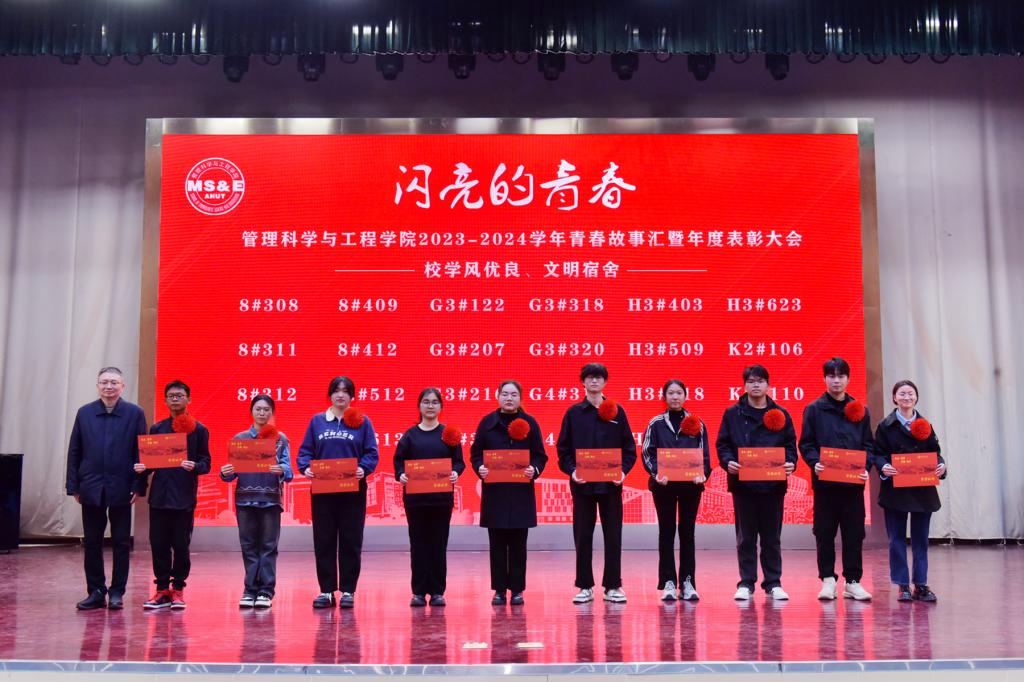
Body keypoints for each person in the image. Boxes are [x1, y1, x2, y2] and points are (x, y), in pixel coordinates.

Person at [65, 366, 148, 610]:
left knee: (121, 542)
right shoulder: (85, 413)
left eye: (114, 382)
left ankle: (117, 592)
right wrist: (73, 485)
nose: (109, 386)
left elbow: (141, 452)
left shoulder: (134, 413)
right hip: (91, 487)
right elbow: (75, 451)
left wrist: (139, 485)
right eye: (104, 382)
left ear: (122, 386)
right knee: (92, 542)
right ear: (98, 386)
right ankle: (96, 591)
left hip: (122, 486)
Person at [716, 364, 798, 601]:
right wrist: (728, 462)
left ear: (768, 385)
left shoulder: (781, 414)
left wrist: (790, 462)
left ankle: (773, 582)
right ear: (744, 385)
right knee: (746, 537)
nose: (755, 385)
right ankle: (746, 582)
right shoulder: (733, 413)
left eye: (760, 381)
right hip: (743, 485)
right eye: (751, 381)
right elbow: (723, 444)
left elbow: (790, 445)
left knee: (772, 538)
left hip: (773, 486)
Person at [556, 363, 637, 604]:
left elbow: (629, 449)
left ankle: (613, 586)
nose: (594, 381)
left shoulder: (616, 412)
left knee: (613, 535)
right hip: (582, 485)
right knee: (583, 535)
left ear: (605, 382)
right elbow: (563, 450)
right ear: (582, 382)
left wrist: (622, 472)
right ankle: (584, 586)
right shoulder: (573, 413)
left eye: (598, 377)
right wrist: (572, 471)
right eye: (589, 377)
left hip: (611, 486)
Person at [297, 376, 379, 609]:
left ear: (352, 396)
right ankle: (326, 591)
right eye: (336, 390)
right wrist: (306, 467)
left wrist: (364, 468)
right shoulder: (317, 421)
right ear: (330, 395)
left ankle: (348, 591)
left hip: (353, 490)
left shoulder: (362, 421)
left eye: (345, 391)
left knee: (351, 540)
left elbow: (371, 452)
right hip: (323, 492)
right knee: (324, 539)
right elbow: (305, 452)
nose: (340, 395)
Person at [798, 357, 874, 602]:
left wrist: (866, 466)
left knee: (854, 533)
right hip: (825, 485)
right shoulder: (814, 409)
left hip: (852, 486)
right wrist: (814, 462)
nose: (836, 380)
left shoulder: (860, 410)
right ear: (824, 379)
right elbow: (806, 443)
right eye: (831, 376)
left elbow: (869, 445)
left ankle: (852, 582)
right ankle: (827, 580)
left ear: (848, 379)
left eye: (841, 376)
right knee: (824, 533)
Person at [470, 380, 549, 606]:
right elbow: (476, 454)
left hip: (520, 493)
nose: (509, 398)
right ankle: (498, 590)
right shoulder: (487, 423)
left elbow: (540, 455)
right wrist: (480, 468)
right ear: (498, 396)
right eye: (505, 394)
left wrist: (534, 469)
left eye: (514, 394)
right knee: (496, 544)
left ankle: (517, 590)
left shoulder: (530, 423)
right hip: (495, 494)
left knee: (518, 545)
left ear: (520, 398)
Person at [135, 380, 211, 610]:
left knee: (180, 546)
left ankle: (178, 589)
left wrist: (194, 466)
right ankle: (161, 590)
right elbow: (151, 463)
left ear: (189, 399)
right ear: (165, 400)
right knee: (158, 544)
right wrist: (143, 468)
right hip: (159, 497)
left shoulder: (199, 430)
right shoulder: (157, 429)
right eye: (171, 396)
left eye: (179, 395)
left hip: (184, 497)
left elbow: (206, 463)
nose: (175, 399)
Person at [872, 379, 947, 603]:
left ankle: (921, 584)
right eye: (902, 394)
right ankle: (903, 585)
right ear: (894, 398)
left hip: (922, 491)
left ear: (916, 397)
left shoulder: (925, 424)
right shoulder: (885, 426)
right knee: (896, 540)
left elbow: (935, 452)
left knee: (920, 540)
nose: (907, 397)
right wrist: (883, 466)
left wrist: (941, 466)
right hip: (895, 491)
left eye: (910, 393)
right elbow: (878, 453)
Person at [641, 379, 712, 602]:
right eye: (670, 393)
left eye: (679, 393)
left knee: (687, 533)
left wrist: (703, 474)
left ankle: (688, 582)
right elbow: (647, 452)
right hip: (663, 486)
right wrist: (656, 473)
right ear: (664, 397)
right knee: (666, 532)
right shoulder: (656, 423)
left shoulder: (697, 423)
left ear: (685, 395)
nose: (675, 397)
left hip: (691, 486)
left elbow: (704, 455)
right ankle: (669, 582)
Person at [394, 388, 465, 607]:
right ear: (419, 406)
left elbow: (459, 461)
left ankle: (437, 592)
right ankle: (418, 592)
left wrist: (455, 472)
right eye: (426, 402)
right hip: (415, 501)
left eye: (435, 402)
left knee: (438, 545)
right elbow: (399, 461)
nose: (430, 406)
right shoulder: (410, 435)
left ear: (441, 407)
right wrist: (401, 474)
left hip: (441, 500)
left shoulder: (448, 434)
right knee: (418, 545)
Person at [221, 394, 293, 608]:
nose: (262, 413)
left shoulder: (281, 439)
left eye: (266, 409)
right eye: (258, 409)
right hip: (245, 500)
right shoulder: (240, 438)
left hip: (271, 500)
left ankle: (266, 591)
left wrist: (282, 469)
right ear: (251, 412)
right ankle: (250, 589)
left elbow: (289, 471)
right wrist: (225, 472)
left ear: (272, 413)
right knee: (248, 546)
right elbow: (231, 474)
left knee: (269, 546)